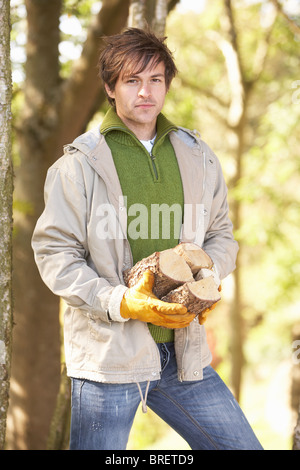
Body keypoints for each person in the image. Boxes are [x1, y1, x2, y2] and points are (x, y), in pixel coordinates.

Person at [32, 27, 263, 450]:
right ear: (110, 88)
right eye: (132, 80)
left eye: (155, 80)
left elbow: (222, 237)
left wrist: (202, 281)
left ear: (167, 86)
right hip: (108, 359)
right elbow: (55, 254)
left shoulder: (198, 156)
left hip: (183, 356)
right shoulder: (78, 165)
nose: (146, 92)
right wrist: (119, 302)